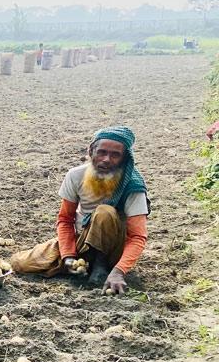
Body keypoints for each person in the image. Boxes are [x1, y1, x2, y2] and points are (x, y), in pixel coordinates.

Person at [10, 126, 149, 295]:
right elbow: (65, 219)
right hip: (83, 240)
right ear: (91, 151)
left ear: (124, 159)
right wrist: (68, 256)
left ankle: (101, 266)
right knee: (23, 263)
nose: (106, 159)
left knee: (104, 212)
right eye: (102, 152)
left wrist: (119, 271)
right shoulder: (76, 175)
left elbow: (137, 236)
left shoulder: (133, 185)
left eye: (115, 155)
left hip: (115, 249)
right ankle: (85, 264)